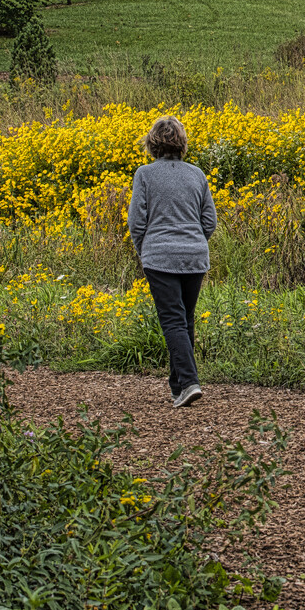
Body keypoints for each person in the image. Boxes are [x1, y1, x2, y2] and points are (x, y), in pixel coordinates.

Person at [128, 115, 216, 407]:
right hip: (195, 256)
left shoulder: (145, 174)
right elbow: (209, 221)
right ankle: (178, 387)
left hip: (159, 256)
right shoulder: (197, 174)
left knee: (173, 320)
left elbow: (136, 222)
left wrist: (145, 251)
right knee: (185, 319)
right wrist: (194, 242)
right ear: (181, 143)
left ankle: (189, 382)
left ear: (152, 143)